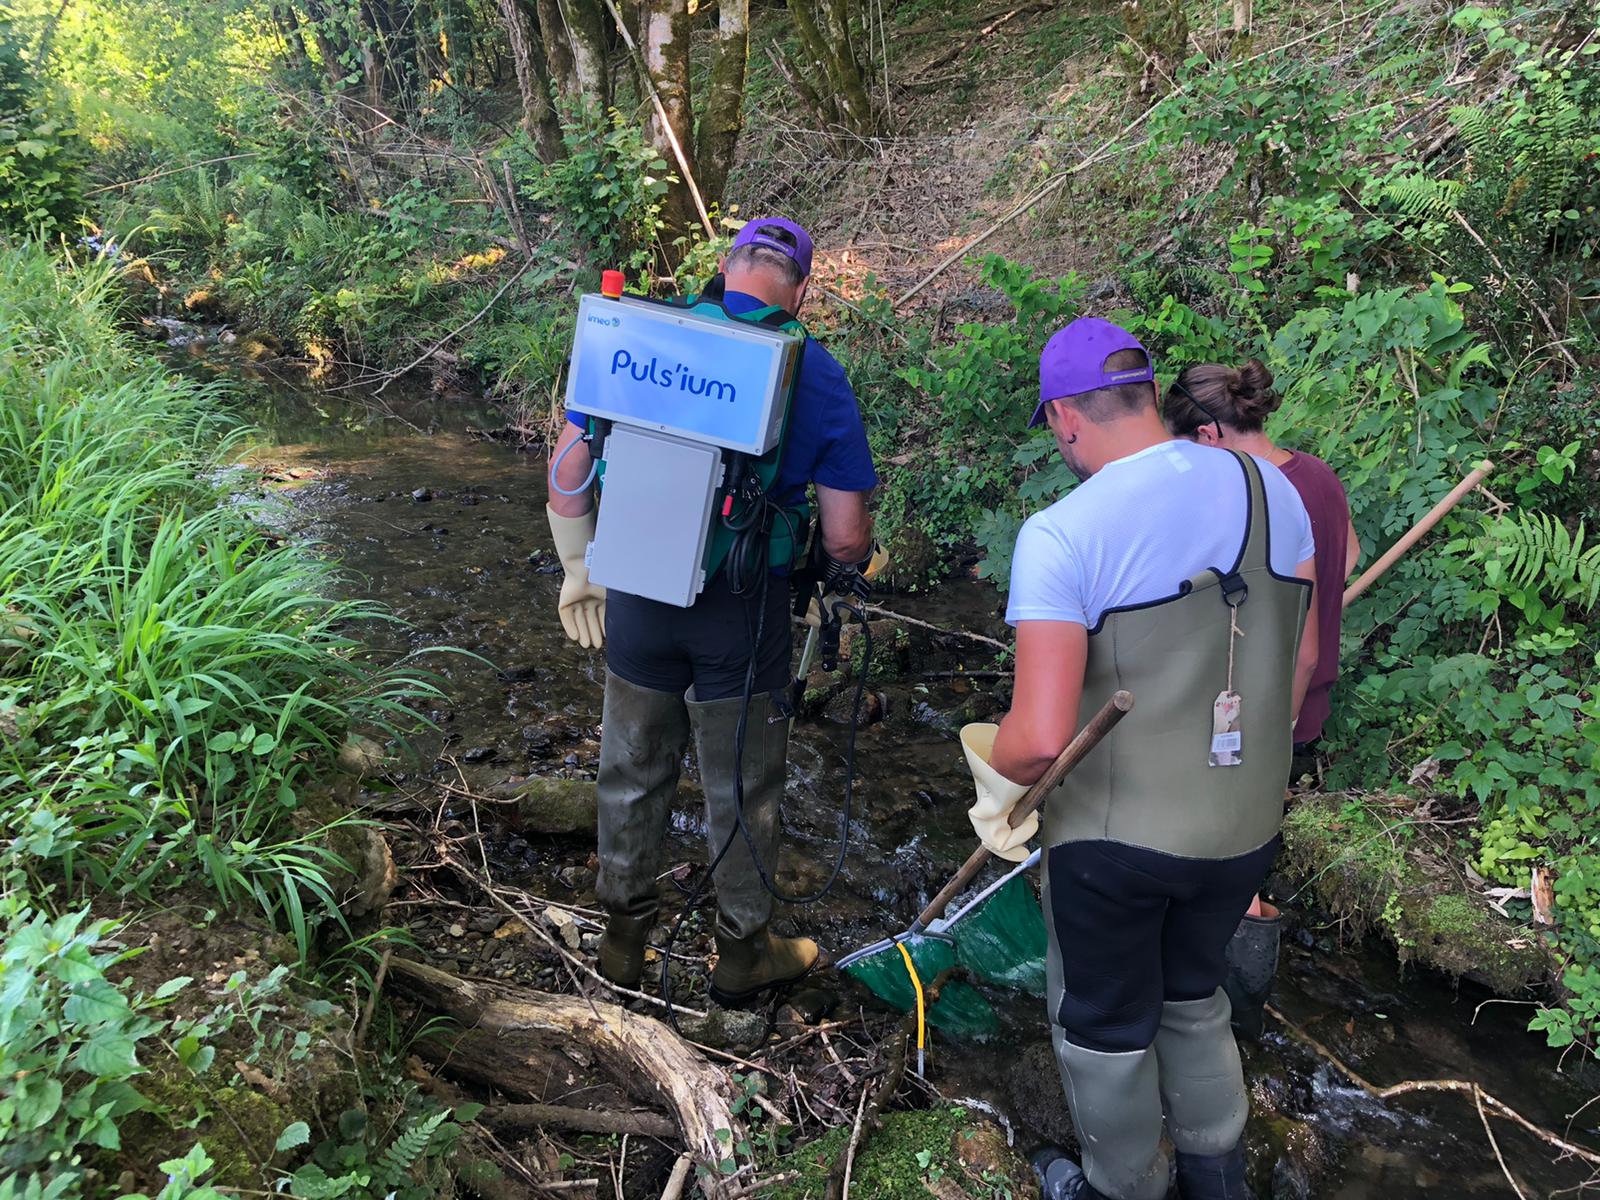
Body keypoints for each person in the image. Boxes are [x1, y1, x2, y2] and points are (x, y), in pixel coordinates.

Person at [959, 317, 1318, 1200]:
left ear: (1063, 420)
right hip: (1244, 827)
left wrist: (992, 781)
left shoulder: (1062, 534)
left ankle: (1121, 1187)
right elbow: (1300, 664)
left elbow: (1042, 736)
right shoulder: (1277, 490)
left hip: (1119, 843)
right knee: (1194, 996)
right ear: (1149, 399)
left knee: (1106, 1025)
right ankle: (1217, 1180)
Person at [546, 217, 878, 1008]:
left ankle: (623, 944)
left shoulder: (643, 333)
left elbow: (568, 473)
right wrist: (842, 573)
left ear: (725, 269)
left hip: (634, 594)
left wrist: (576, 568)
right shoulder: (816, 373)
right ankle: (740, 957)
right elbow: (845, 533)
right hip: (742, 609)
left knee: (629, 769)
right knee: (741, 786)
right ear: (800, 289)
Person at [1162, 360, 1361, 1039]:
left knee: (1231, 875)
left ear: (1211, 435)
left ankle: (1236, 1016)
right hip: (1304, 711)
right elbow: (1352, 556)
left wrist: (1261, 739)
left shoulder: (1255, 497)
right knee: (1240, 856)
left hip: (1259, 720)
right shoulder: (1318, 475)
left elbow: (1294, 651)